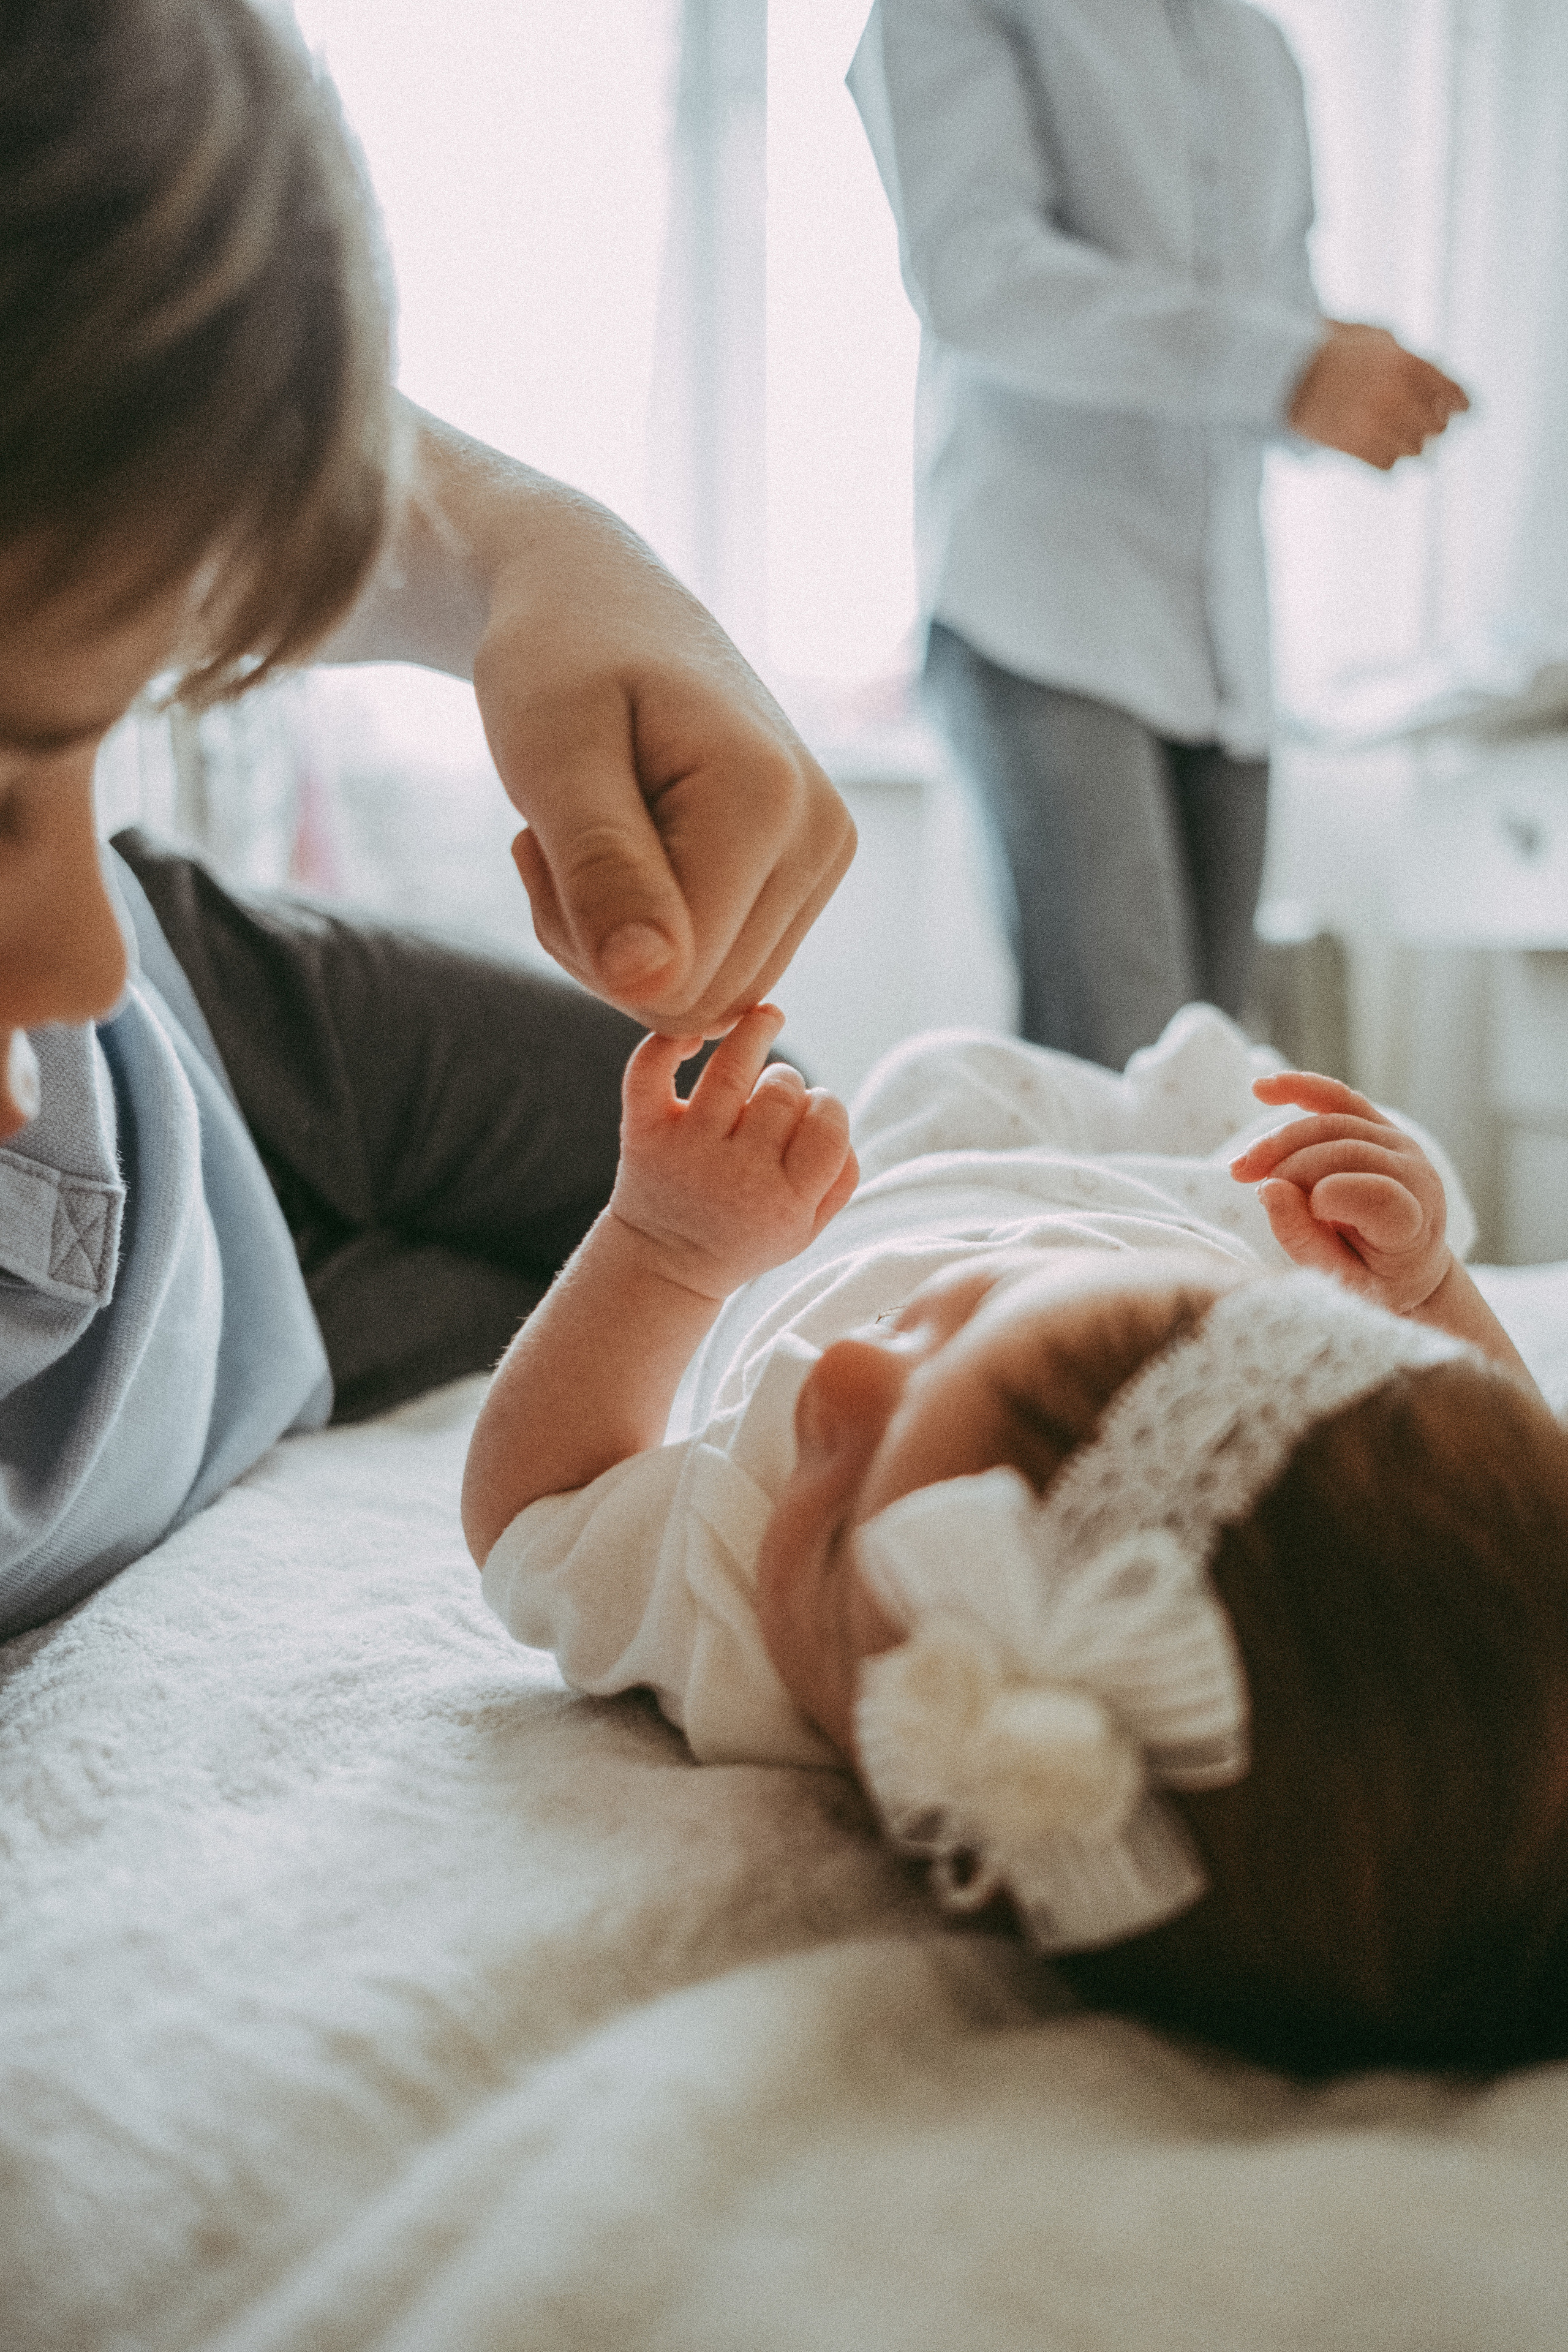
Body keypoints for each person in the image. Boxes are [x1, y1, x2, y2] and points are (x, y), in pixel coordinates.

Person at [0, 0, 853, 1640]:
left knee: (779, 1148)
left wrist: (532, 548)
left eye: (87, 746)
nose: (78, 949)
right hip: (260, 1360)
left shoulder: (124, 965)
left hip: (223, 1047)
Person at [466, 1005, 1568, 2075]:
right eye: (954, 1322)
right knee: (1329, 1174)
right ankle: (1207, 1117)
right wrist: (1426, 1294)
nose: (837, 1372)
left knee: (939, 1070)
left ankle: (1127, 1138)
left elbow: (532, 1512)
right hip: (1200, 1226)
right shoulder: (1230, 1364)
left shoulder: (745, 1626)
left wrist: (664, 1248)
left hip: (918, 1178)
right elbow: (1508, 1486)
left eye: (842, 1527)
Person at [845, 0, 1470, 1068]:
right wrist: (1286, 365)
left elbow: (1272, 318)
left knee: (1203, 1078)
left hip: (1225, 646)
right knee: (1116, 1072)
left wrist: (1338, 375)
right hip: (1039, 607)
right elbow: (981, 282)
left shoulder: (1258, 47)